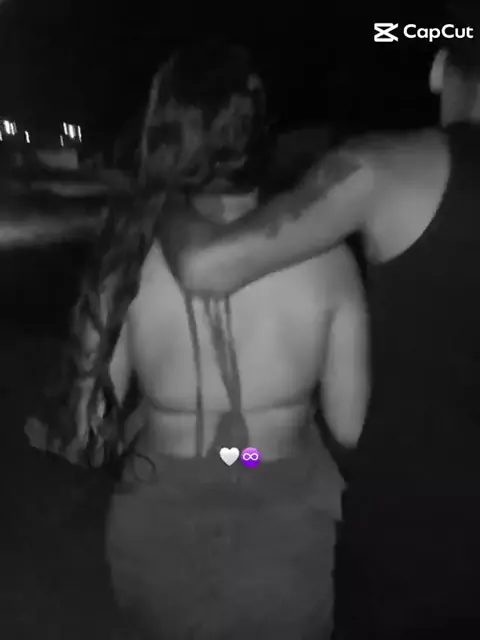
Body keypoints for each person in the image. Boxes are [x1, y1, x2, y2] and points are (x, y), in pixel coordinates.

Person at [25, 42, 368, 639]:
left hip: (160, 520)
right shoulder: (329, 258)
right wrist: (262, 433)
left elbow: (84, 433)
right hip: (283, 524)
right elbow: (350, 426)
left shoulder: (126, 256)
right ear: (260, 135)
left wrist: (145, 422)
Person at [161, 16, 480, 640]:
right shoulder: (333, 272)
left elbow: (200, 269)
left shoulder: (382, 174)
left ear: (441, 65)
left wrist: (163, 198)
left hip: (412, 553)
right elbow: (347, 423)